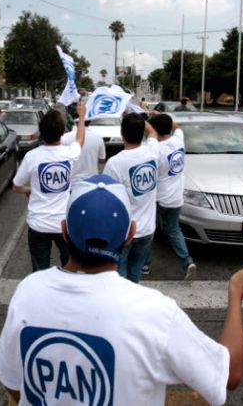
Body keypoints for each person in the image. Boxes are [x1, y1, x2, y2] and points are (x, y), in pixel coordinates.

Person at [0, 175, 243, 405]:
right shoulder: (154, 312)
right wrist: (236, 294)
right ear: (130, 234)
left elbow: (15, 385)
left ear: (64, 231)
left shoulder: (29, 291)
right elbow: (228, 374)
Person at [13, 101, 87, 271]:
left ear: (41, 132)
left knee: (40, 270)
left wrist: (29, 189)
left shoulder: (31, 157)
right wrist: (81, 117)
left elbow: (16, 186)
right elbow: (80, 140)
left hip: (38, 223)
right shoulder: (69, 154)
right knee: (70, 267)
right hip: (63, 223)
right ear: (62, 132)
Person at [102, 113, 159, 283]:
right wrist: (143, 120)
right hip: (148, 229)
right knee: (135, 274)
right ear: (142, 132)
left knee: (119, 274)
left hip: (124, 231)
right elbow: (153, 134)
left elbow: (107, 198)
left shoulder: (115, 163)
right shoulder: (152, 152)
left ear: (122, 133)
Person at [147, 113, 196, 279]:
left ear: (154, 129)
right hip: (176, 198)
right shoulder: (178, 140)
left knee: (150, 232)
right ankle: (187, 261)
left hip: (159, 199)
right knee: (174, 230)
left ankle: (145, 264)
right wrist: (159, 117)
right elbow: (177, 127)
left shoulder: (157, 150)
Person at [61, 117, 106, 187]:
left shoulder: (65, 137)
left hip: (72, 183)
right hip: (92, 183)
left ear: (75, 122)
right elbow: (102, 160)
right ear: (90, 121)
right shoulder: (98, 137)